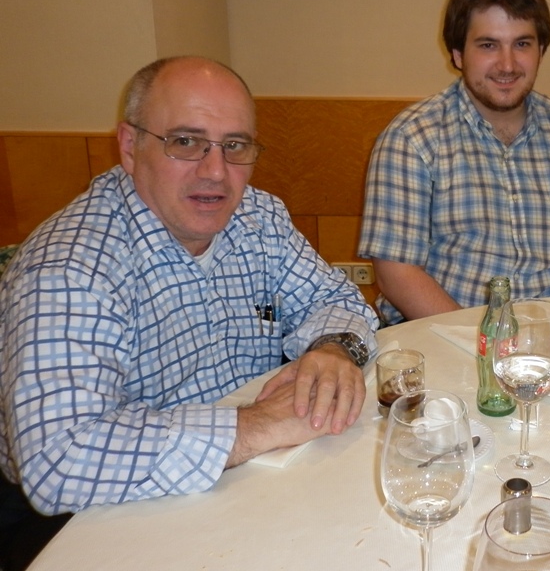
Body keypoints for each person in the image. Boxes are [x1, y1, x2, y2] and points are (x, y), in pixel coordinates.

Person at [0, 57, 378, 568]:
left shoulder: (258, 217)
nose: (215, 171)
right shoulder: (70, 268)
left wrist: (334, 349)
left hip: (252, 487)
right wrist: (254, 427)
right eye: (185, 141)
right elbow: (59, 460)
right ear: (130, 146)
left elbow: (336, 301)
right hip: (101, 521)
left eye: (235, 145)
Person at [359, 0, 550, 324]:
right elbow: (397, 272)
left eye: (522, 44)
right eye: (488, 45)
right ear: (458, 54)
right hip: (441, 338)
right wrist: (482, 342)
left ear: (541, 50)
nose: (507, 65)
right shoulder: (411, 139)